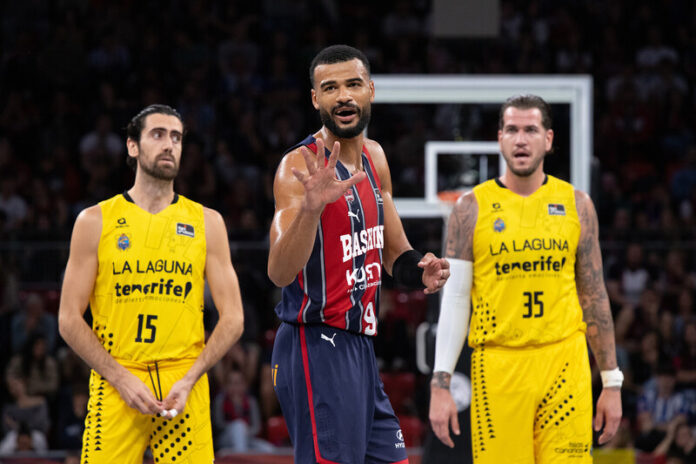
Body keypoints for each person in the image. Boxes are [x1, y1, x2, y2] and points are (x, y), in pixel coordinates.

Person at [267, 44, 449, 464]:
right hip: (315, 344)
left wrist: (419, 270)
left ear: (370, 90)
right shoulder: (298, 168)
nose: (343, 96)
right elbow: (279, 271)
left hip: (361, 349)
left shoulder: (375, 157)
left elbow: (394, 250)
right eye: (330, 88)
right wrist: (311, 209)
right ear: (316, 99)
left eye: (352, 84)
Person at [429, 94, 623, 463]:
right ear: (499, 138)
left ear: (548, 139)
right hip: (498, 367)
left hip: (565, 362)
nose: (521, 139)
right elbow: (454, 300)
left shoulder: (578, 204)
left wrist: (612, 381)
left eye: (531, 130)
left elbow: (595, 295)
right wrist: (441, 382)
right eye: (512, 130)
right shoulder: (469, 208)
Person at [58, 104, 245, 463]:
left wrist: (190, 378)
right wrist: (119, 378)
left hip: (184, 383)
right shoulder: (95, 221)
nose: (169, 144)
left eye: (176, 137)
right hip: (117, 381)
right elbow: (68, 319)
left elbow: (234, 318)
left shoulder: (208, 222)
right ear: (132, 146)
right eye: (158, 134)